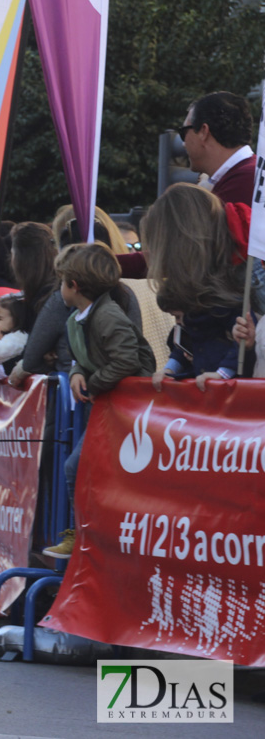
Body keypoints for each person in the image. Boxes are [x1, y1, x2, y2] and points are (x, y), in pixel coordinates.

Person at [42, 245, 155, 559]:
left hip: (128, 409)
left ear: (74, 286)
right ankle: (86, 534)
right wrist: (77, 371)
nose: (58, 288)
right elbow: (84, 356)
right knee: (78, 468)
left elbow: (128, 360)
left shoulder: (108, 316)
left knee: (75, 467)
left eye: (62, 281)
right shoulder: (79, 316)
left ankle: (85, 536)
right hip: (109, 405)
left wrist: (91, 383)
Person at [143, 183, 253, 389]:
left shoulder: (226, 297)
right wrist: (171, 368)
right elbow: (187, 342)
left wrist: (222, 373)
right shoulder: (209, 292)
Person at [181, 91, 255, 207]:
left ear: (203, 132)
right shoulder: (249, 175)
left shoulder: (242, 185)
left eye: (184, 132)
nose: (183, 144)